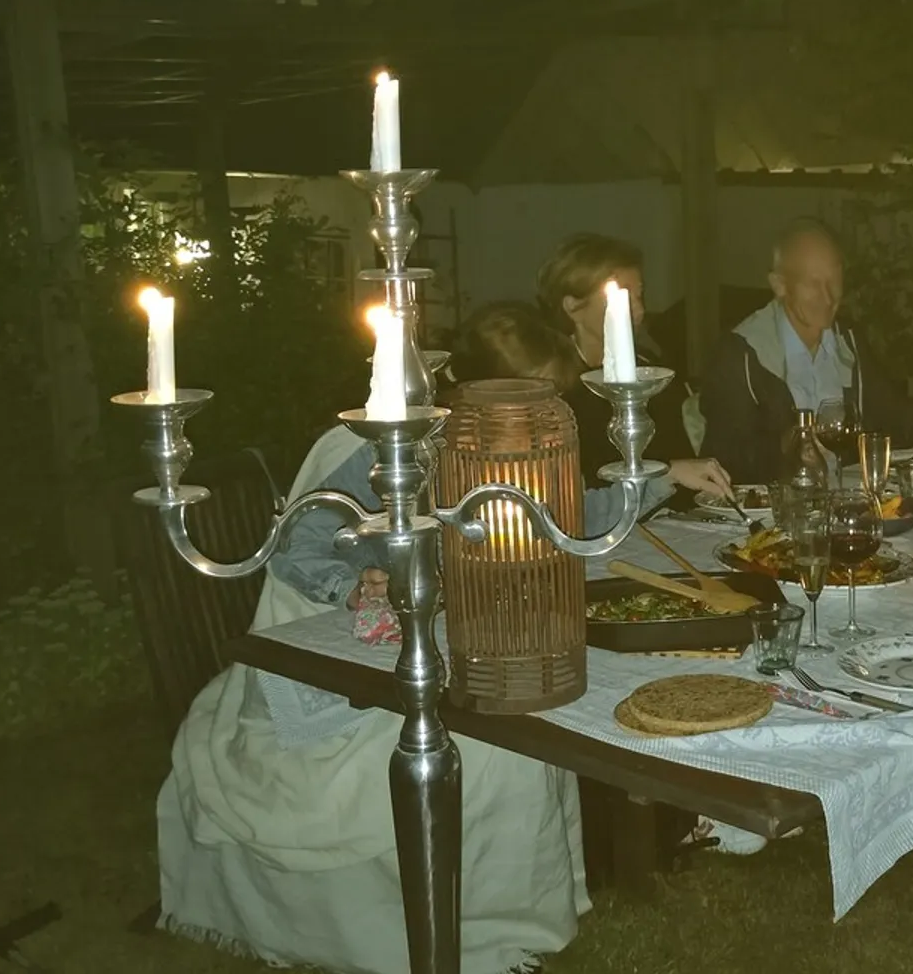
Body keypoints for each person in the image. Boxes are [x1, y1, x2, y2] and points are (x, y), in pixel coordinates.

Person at [157, 387, 626, 974]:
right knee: (496, 736)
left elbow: (557, 517)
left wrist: (655, 481)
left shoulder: (476, 444)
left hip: (421, 642)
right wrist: (356, 585)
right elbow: (298, 551)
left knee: (523, 684)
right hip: (319, 664)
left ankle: (500, 917)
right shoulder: (365, 447)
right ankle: (465, 933)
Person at [698, 218, 913, 484]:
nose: (828, 297)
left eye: (834, 280)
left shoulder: (848, 342)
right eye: (814, 284)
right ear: (780, 285)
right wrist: (787, 448)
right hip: (779, 502)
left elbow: (892, 413)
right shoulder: (740, 355)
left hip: (848, 496)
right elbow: (725, 456)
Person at [451, 300, 734, 509]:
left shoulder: (549, 443)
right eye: (534, 399)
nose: (551, 409)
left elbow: (583, 514)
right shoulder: (459, 463)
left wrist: (668, 474)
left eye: (556, 395)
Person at [535, 234, 704, 486]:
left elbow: (679, 455)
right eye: (623, 298)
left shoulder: (650, 371)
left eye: (639, 295)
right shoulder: (554, 386)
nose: (639, 310)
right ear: (573, 307)